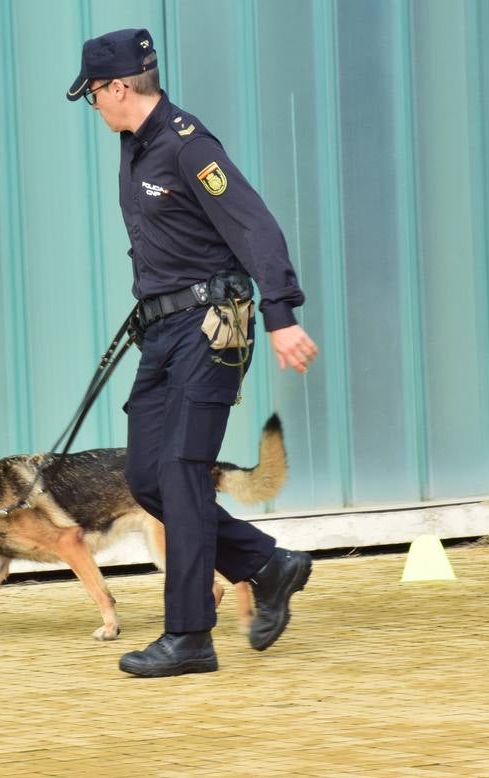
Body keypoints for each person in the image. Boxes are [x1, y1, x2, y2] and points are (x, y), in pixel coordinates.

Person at [66, 28, 320, 677]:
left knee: (180, 468)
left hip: (213, 327)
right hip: (163, 331)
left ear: (117, 87)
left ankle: (189, 637)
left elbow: (253, 223)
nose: (93, 107)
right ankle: (266, 564)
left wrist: (282, 315)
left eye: (92, 94)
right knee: (148, 474)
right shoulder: (135, 146)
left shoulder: (187, 147)